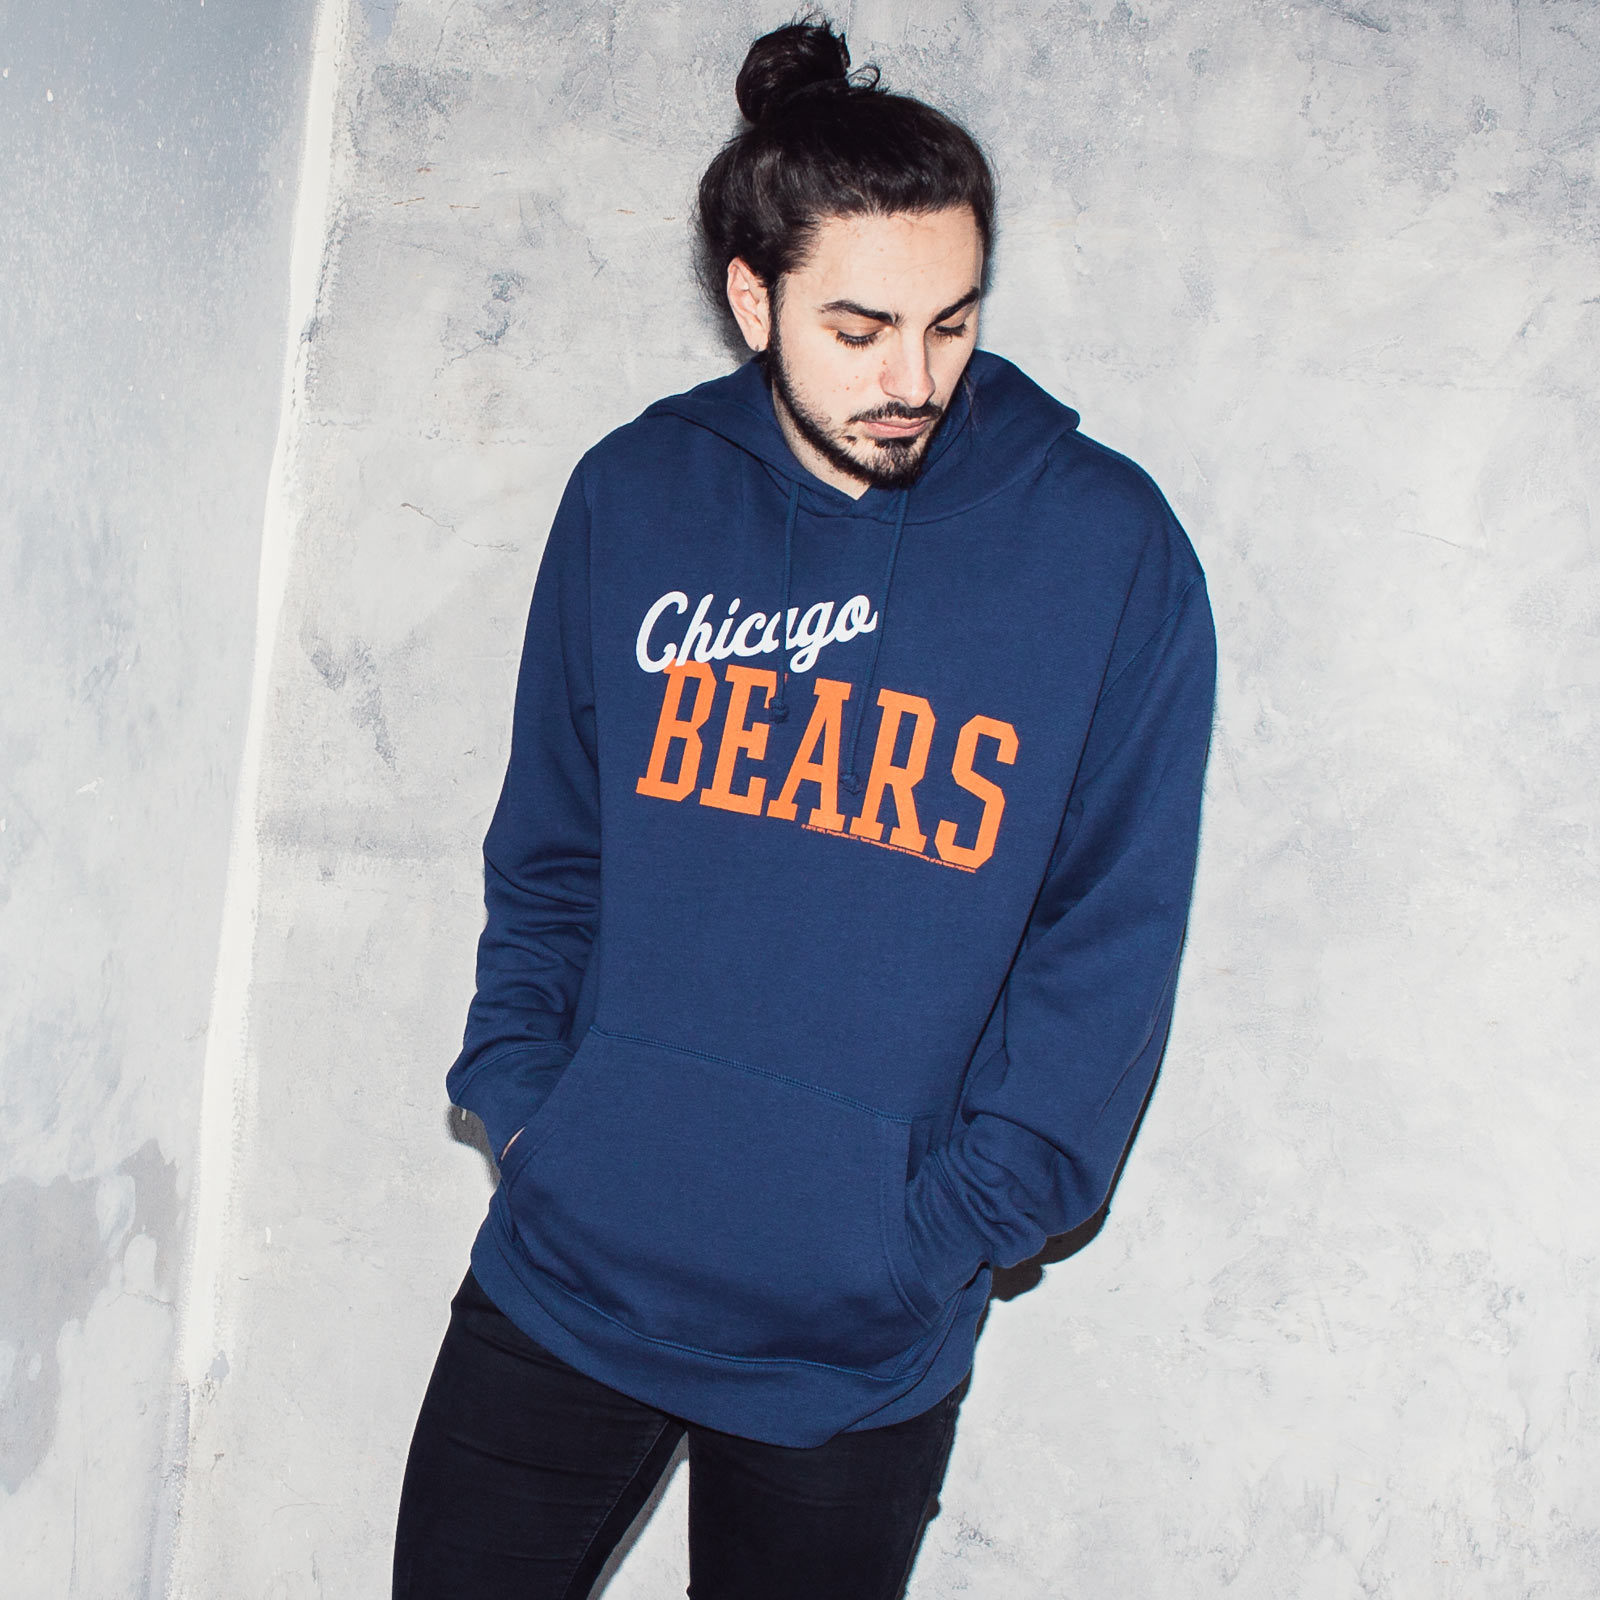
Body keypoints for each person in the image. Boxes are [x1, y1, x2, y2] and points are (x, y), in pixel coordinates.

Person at [393, 17, 1215, 1600]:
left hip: (855, 1341)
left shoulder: (1105, 552)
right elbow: (552, 844)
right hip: (570, 1272)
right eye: (860, 328)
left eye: (952, 323)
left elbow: (1107, 939)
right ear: (752, 298)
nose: (914, 380)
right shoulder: (635, 495)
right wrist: (533, 1106)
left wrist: (942, 1232)